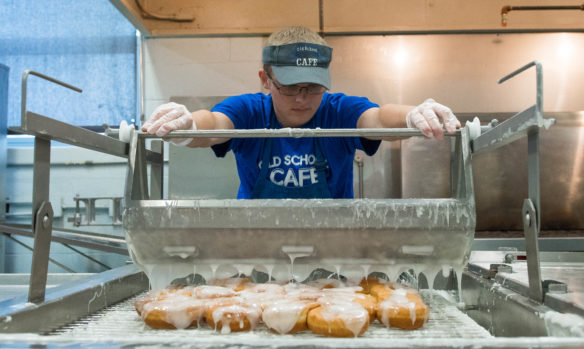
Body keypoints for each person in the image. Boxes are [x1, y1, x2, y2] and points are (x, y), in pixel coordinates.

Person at [143, 26, 460, 199]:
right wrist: (186, 127)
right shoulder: (249, 110)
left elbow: (378, 117)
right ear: (265, 80)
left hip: (332, 243)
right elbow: (212, 125)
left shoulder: (337, 110)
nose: (303, 99)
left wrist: (412, 114)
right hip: (255, 243)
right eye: (291, 87)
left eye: (313, 87)